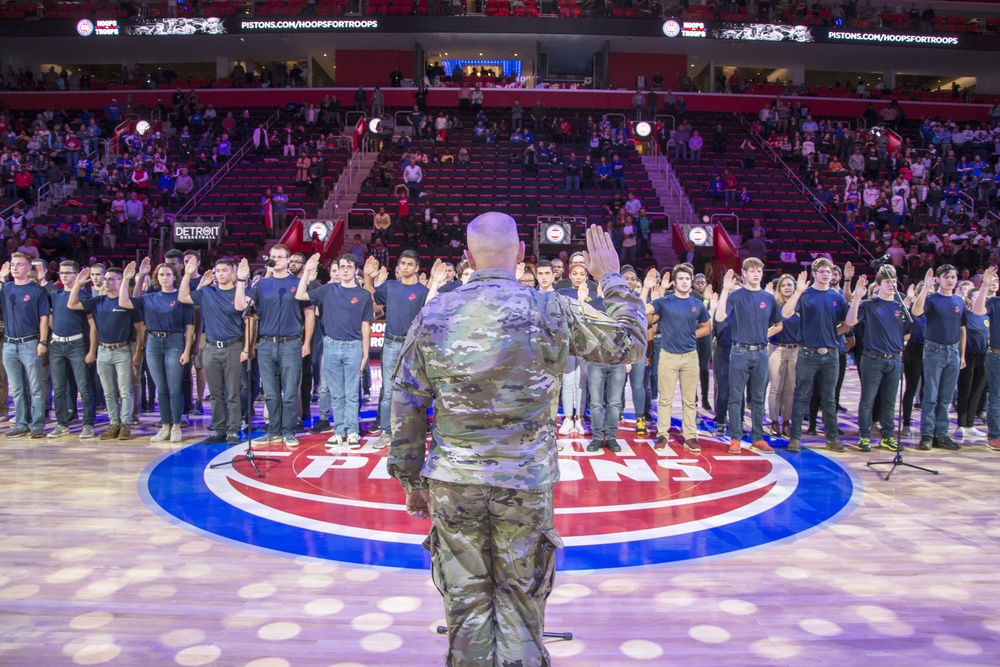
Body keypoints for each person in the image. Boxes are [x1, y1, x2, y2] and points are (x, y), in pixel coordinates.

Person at [388, 216, 646, 666]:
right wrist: (611, 279)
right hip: (525, 483)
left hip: (454, 482)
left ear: (467, 258)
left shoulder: (434, 312)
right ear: (523, 253)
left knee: (465, 607)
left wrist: (410, 479)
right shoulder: (551, 309)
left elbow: (407, 402)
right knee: (521, 603)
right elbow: (629, 343)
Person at [235, 246, 315, 448]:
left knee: (289, 392)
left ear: (289, 260)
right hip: (266, 344)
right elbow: (241, 307)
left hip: (291, 343)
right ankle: (273, 430)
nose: (277, 260)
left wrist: (306, 343)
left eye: (281, 257)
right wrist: (241, 280)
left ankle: (288, 431)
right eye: (273, 257)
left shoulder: (298, 284)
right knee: (270, 392)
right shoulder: (261, 284)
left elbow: (309, 313)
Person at [297, 252, 373, 448]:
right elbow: (300, 295)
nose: (345, 270)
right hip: (330, 345)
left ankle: (353, 431)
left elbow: (366, 326)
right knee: (336, 392)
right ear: (337, 270)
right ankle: (339, 431)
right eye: (342, 267)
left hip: (353, 346)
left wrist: (365, 353)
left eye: (349, 267)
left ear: (356, 270)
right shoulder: (328, 290)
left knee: (351, 392)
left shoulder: (364, 295)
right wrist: (306, 271)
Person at [120, 258, 194, 443]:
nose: (164, 277)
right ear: (156, 278)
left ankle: (176, 426)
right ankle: (164, 427)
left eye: (168, 274)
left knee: (174, 387)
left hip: (174, 341)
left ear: (174, 276)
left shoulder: (181, 298)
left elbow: (190, 328)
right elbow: (125, 302)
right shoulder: (149, 297)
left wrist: (186, 351)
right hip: (153, 342)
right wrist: (127, 279)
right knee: (161, 388)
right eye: (161, 274)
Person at [715, 259, 782, 455]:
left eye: (759, 270)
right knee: (736, 397)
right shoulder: (735, 295)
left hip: (761, 351)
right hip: (739, 351)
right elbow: (719, 318)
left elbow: (778, 324)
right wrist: (725, 291)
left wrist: (762, 336)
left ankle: (758, 438)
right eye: (752, 271)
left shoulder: (768, 298)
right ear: (744, 273)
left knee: (758, 397)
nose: (756, 274)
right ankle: (735, 438)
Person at [783, 258, 849, 453]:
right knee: (801, 396)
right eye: (822, 271)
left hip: (831, 354)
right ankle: (795, 438)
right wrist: (798, 291)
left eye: (829, 271)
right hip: (807, 353)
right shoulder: (805, 294)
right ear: (814, 273)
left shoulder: (837, 297)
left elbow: (847, 323)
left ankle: (832, 439)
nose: (826, 274)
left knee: (829, 398)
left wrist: (829, 333)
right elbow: (786, 314)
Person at [363, 250, 428, 448]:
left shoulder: (423, 292)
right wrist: (367, 277)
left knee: (414, 388)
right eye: (402, 263)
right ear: (398, 266)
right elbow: (373, 301)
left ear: (416, 268)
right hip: (391, 342)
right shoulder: (390, 287)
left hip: (413, 345)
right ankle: (386, 432)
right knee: (388, 389)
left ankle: (412, 431)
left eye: (409, 264)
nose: (405, 267)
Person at [180, 256, 249, 445]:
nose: (220, 274)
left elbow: (243, 310)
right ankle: (219, 429)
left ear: (233, 273)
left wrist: (241, 281)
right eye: (217, 271)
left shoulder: (240, 292)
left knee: (233, 392)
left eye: (224, 270)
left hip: (233, 347)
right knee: (216, 392)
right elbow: (182, 297)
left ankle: (233, 430)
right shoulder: (206, 293)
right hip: (211, 348)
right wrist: (187, 275)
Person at [644, 263, 712, 452]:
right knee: (665, 399)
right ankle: (662, 435)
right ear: (674, 282)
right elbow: (642, 311)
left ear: (691, 282)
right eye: (680, 278)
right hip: (668, 355)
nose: (684, 282)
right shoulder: (664, 301)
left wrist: (691, 335)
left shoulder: (697, 304)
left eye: (687, 279)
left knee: (689, 400)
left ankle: (690, 436)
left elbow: (707, 327)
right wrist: (648, 288)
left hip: (690, 356)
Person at [69, 265, 142, 440]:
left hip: (122, 350)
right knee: (109, 391)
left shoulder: (127, 303)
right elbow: (72, 304)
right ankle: (113, 423)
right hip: (103, 350)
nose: (106, 282)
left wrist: (138, 351)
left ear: (120, 281)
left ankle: (125, 424)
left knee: (124, 390)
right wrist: (78, 284)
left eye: (111, 279)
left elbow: (140, 330)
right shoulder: (98, 301)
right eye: (106, 278)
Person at [845, 267, 907, 453]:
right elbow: (850, 322)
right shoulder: (869, 304)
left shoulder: (900, 305)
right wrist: (857, 298)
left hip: (895, 358)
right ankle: (865, 436)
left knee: (889, 401)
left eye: (894, 282)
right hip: (873, 358)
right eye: (888, 282)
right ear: (878, 285)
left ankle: (887, 437)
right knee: (868, 400)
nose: (891, 285)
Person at [911, 264, 964, 451]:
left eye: (953, 277)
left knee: (946, 396)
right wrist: (925, 287)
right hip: (934, 350)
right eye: (946, 276)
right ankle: (927, 433)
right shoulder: (931, 299)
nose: (950, 280)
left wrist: (962, 354)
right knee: (931, 395)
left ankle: (941, 434)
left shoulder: (959, 300)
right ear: (938, 279)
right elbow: (916, 312)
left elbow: (962, 328)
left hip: (954, 352)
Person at [0, 253, 51, 438]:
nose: (14, 268)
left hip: (29, 343)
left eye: (19, 264)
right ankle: (22, 423)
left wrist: (43, 341)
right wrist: (0, 278)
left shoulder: (37, 291)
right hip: (9, 344)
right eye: (13, 264)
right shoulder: (6, 289)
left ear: (28, 268)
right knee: (18, 387)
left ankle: (37, 424)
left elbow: (44, 318)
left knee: (36, 387)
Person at [46, 260, 97, 440]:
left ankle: (88, 424)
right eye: (61, 272)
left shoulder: (85, 297)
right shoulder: (55, 294)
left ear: (77, 275)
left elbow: (92, 325)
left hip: (77, 344)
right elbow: (50, 317)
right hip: (57, 345)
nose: (64, 276)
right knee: (59, 388)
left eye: (68, 272)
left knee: (83, 386)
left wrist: (91, 350)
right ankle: (62, 424)